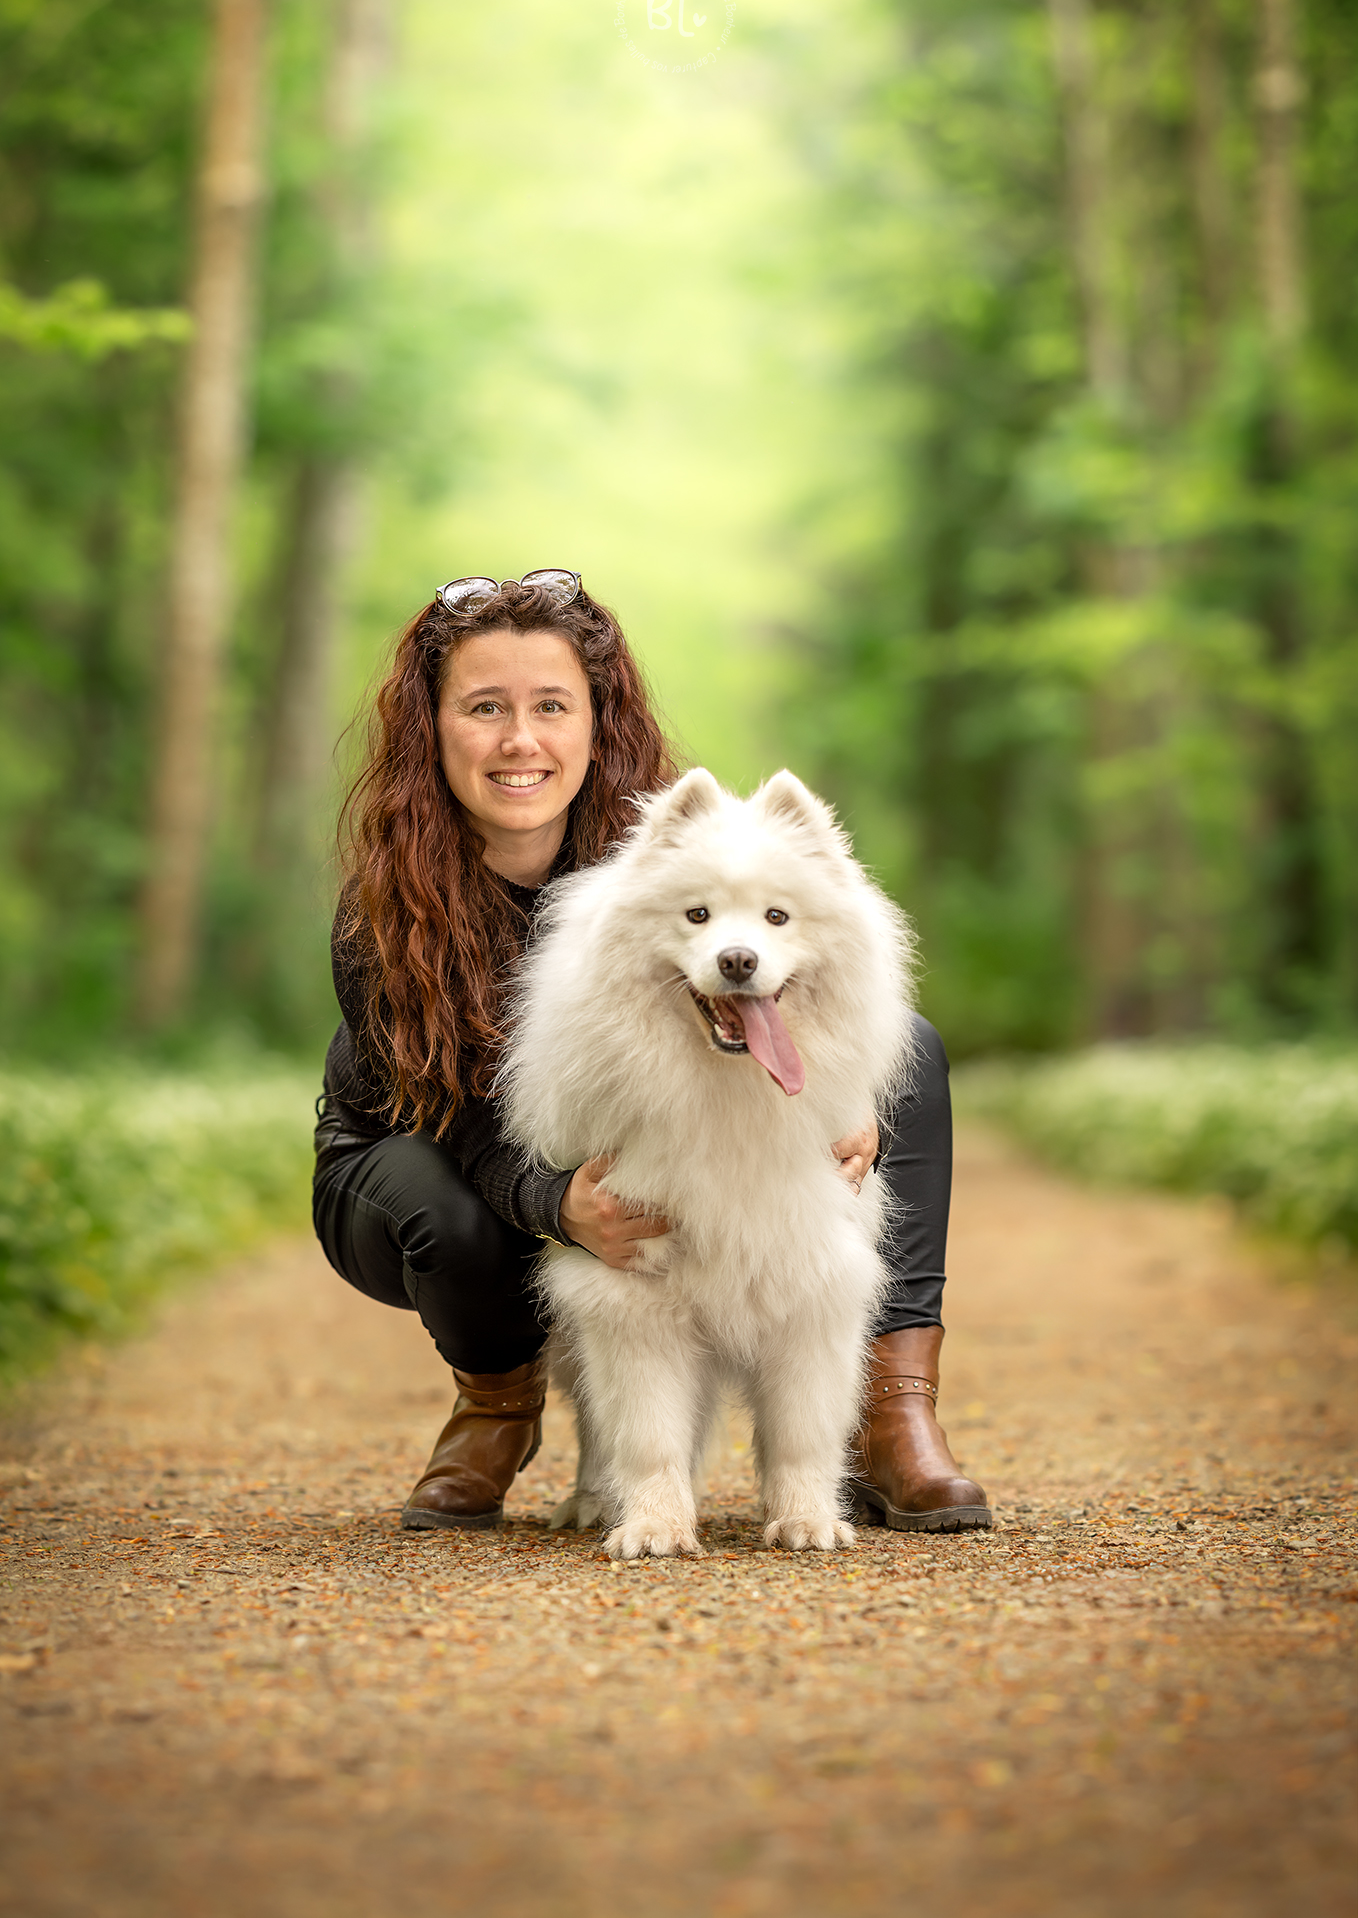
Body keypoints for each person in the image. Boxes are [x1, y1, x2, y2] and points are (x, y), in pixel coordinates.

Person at [313, 571, 991, 1535]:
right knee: (448, 1205)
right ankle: (497, 1405)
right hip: (418, 1157)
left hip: (594, 1139)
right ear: (436, 728)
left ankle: (894, 1405)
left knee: (911, 1052)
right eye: (485, 708)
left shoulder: (666, 842)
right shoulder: (383, 907)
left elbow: (808, 961)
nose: (520, 739)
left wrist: (843, 1093)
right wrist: (557, 1205)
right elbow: (455, 1121)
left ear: (597, 718)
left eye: (551, 705)